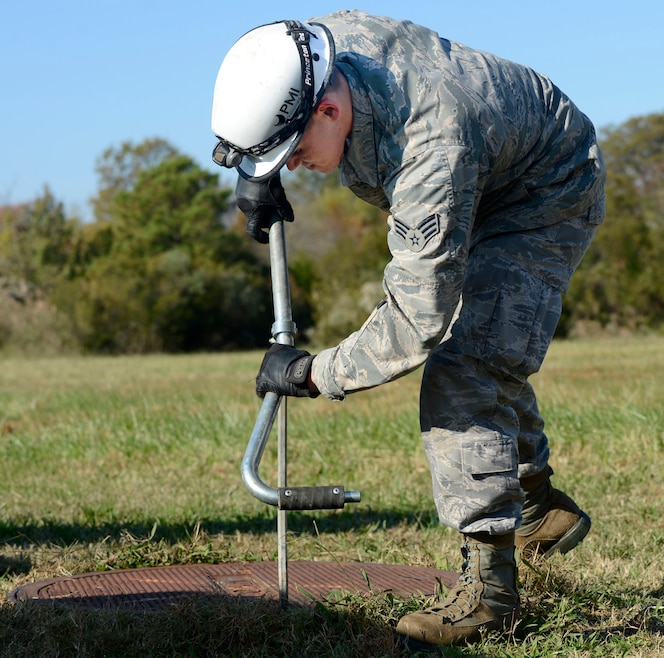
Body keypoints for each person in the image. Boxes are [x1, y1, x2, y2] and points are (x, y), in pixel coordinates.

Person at [211, 11, 605, 648]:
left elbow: (417, 320)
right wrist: (255, 171)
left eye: (295, 153)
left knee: (465, 369)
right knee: (486, 354)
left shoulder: (431, 148)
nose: (299, 168)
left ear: (329, 113)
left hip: (542, 193)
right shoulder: (309, 52)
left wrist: (316, 373)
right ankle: (539, 507)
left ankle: (492, 593)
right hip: (486, 170)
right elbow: (268, 85)